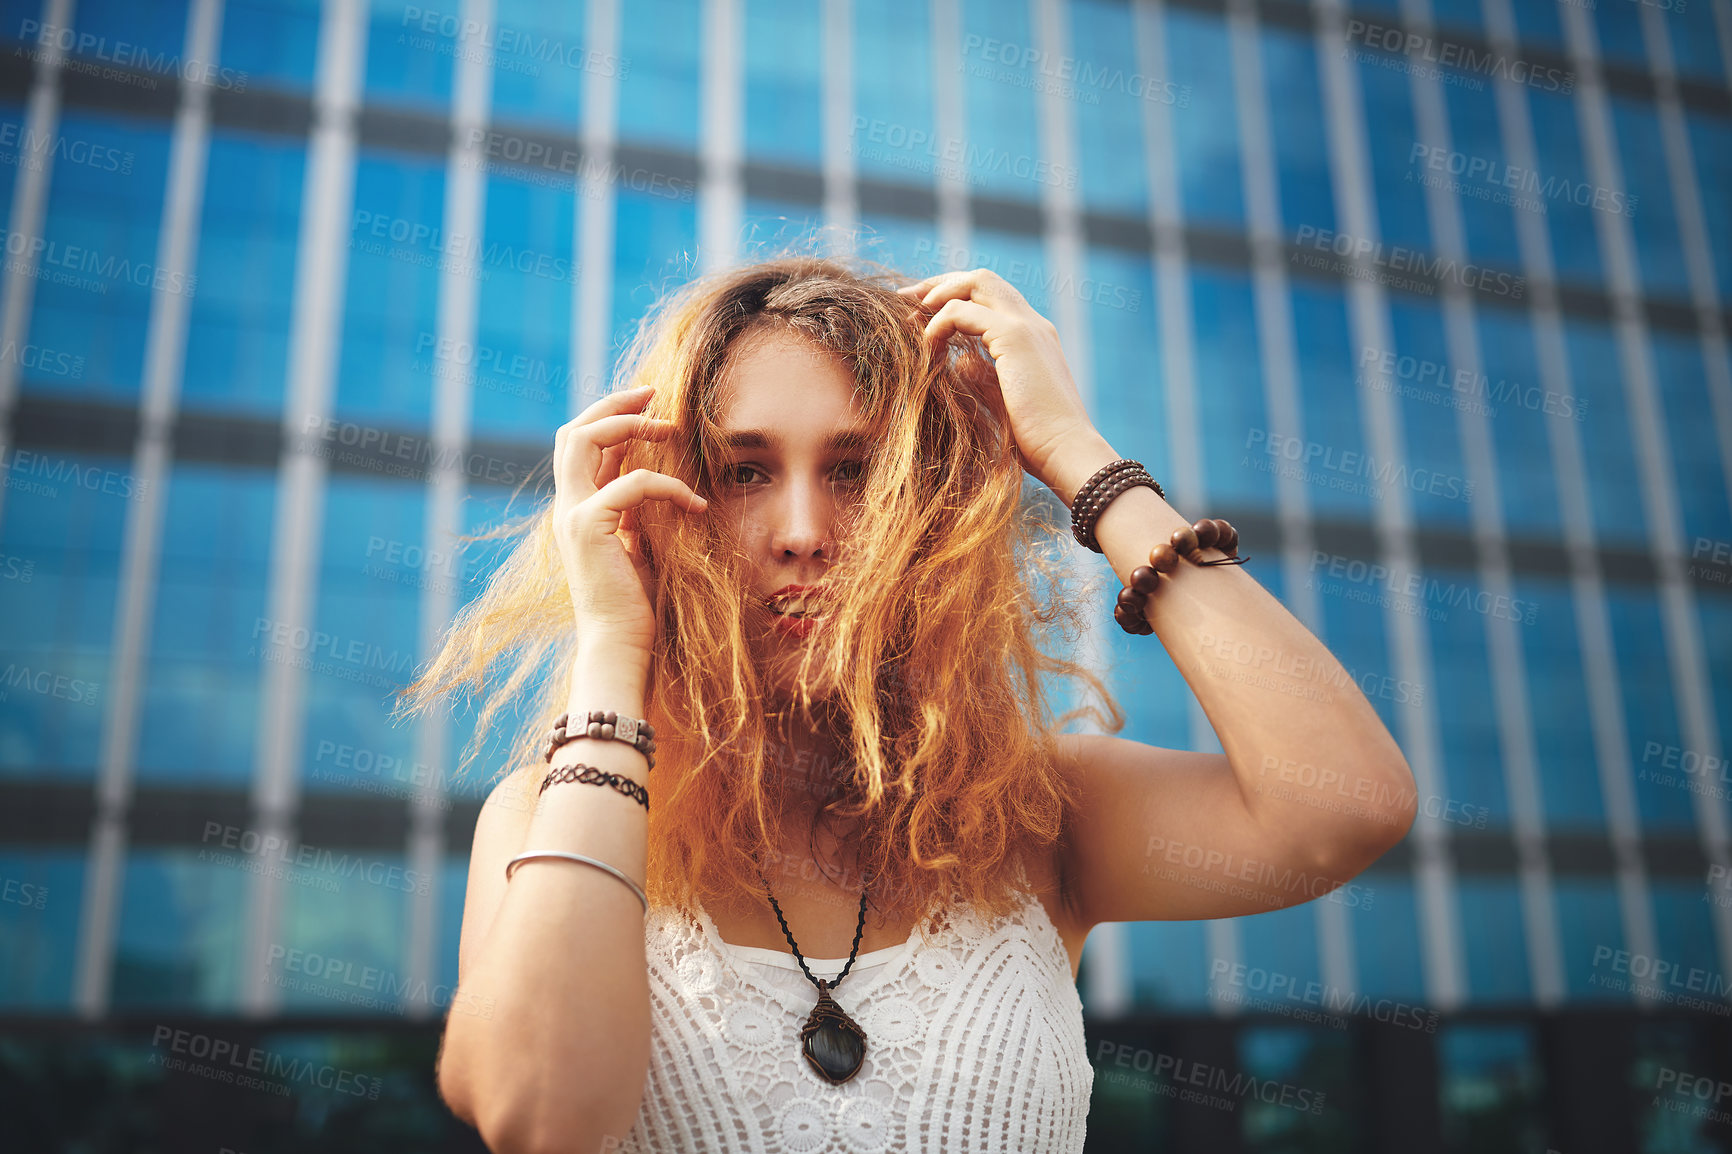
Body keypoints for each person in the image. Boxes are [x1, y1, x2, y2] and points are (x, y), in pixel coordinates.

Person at [402, 255, 1418, 1154]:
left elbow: (1343, 806)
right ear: (666, 505)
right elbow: (540, 1113)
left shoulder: (1036, 808)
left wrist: (1079, 458)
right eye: (744, 470)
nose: (802, 528)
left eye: (856, 470)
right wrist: (614, 648)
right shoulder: (556, 810)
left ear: (928, 513)